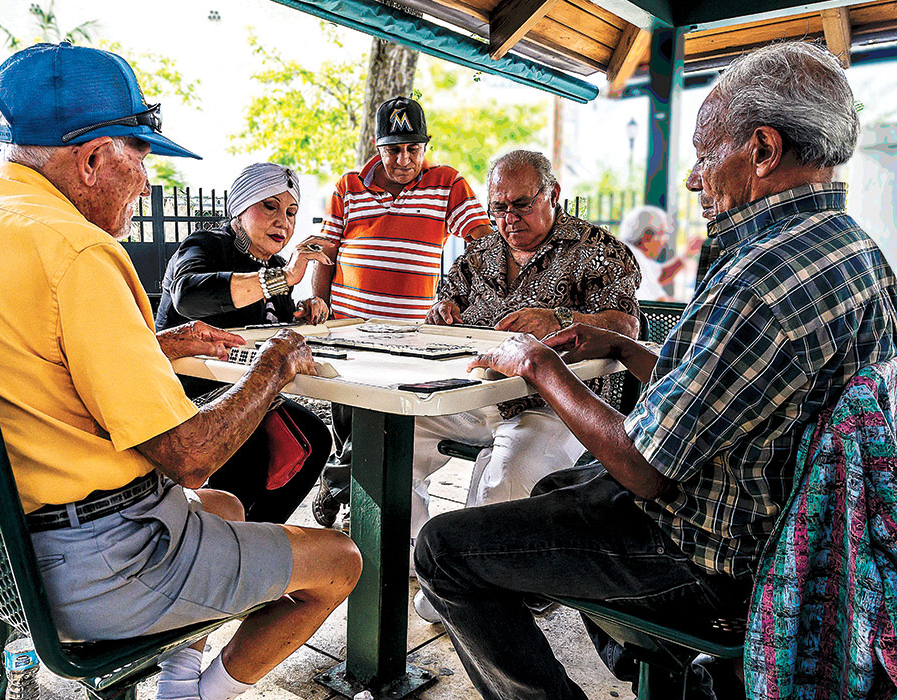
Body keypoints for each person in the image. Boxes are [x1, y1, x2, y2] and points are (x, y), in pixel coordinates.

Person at [414, 41, 897, 700]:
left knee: (444, 551)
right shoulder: (855, 253)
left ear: (761, 149)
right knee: (561, 484)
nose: (696, 178)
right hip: (788, 534)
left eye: (705, 154)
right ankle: (659, 672)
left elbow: (644, 464)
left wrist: (539, 363)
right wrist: (623, 351)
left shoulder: (759, 275)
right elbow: (733, 385)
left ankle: (631, 665)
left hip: (710, 559)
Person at [0, 43, 361, 700]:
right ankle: (200, 697)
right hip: (91, 568)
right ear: (91, 159)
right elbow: (190, 456)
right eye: (139, 155)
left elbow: (21, 356)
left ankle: (175, 682)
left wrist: (153, 343)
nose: (146, 179)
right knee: (340, 560)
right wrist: (273, 369)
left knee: (227, 506)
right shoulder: (77, 250)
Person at [414, 148, 640, 554]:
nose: (508, 218)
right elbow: (443, 304)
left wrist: (560, 317)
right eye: (498, 207)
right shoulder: (479, 254)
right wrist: (441, 311)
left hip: (554, 403)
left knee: (508, 479)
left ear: (553, 194)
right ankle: (414, 558)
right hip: (472, 393)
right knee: (393, 439)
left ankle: (470, 584)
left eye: (521, 204)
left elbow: (627, 325)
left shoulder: (599, 250)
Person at [311, 95, 493, 527]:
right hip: (348, 327)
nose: (404, 159)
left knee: (389, 420)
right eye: (394, 149)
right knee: (351, 419)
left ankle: (344, 486)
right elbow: (325, 252)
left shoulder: (446, 182)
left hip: (411, 334)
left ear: (425, 147)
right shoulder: (348, 186)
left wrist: (460, 295)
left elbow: (484, 242)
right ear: (378, 147)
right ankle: (348, 485)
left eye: (413, 148)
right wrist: (320, 304)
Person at [155, 162, 332, 524]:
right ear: (239, 207)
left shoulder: (277, 266)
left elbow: (270, 327)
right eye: (269, 206)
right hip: (188, 395)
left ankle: (260, 535)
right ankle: (227, 548)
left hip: (251, 392)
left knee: (315, 437)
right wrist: (281, 278)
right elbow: (187, 296)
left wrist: (302, 311)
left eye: (291, 212)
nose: (283, 221)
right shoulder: (204, 244)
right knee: (248, 452)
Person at [617, 205, 703, 301]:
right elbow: (656, 299)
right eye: (662, 234)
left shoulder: (629, 252)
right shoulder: (633, 258)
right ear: (647, 236)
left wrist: (687, 254)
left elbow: (661, 275)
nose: (665, 241)